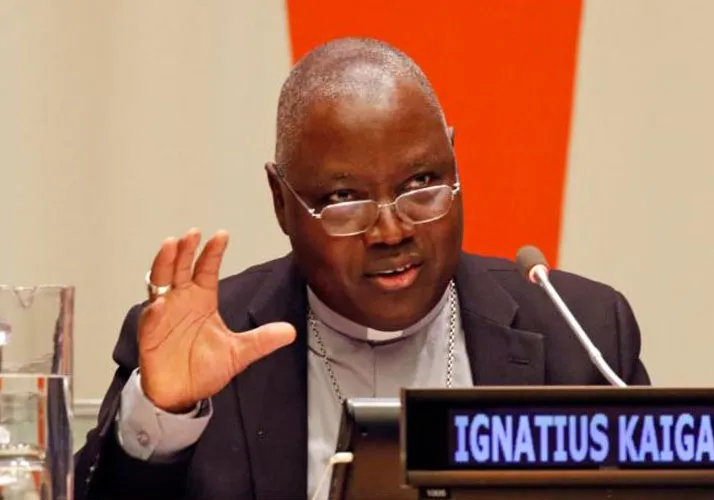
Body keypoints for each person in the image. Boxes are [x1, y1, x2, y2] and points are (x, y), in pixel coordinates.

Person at [73, 37, 649, 500]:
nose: (391, 231)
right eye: (344, 198)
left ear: (454, 162)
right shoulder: (207, 343)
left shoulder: (582, 333)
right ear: (281, 201)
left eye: (421, 184)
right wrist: (165, 416)